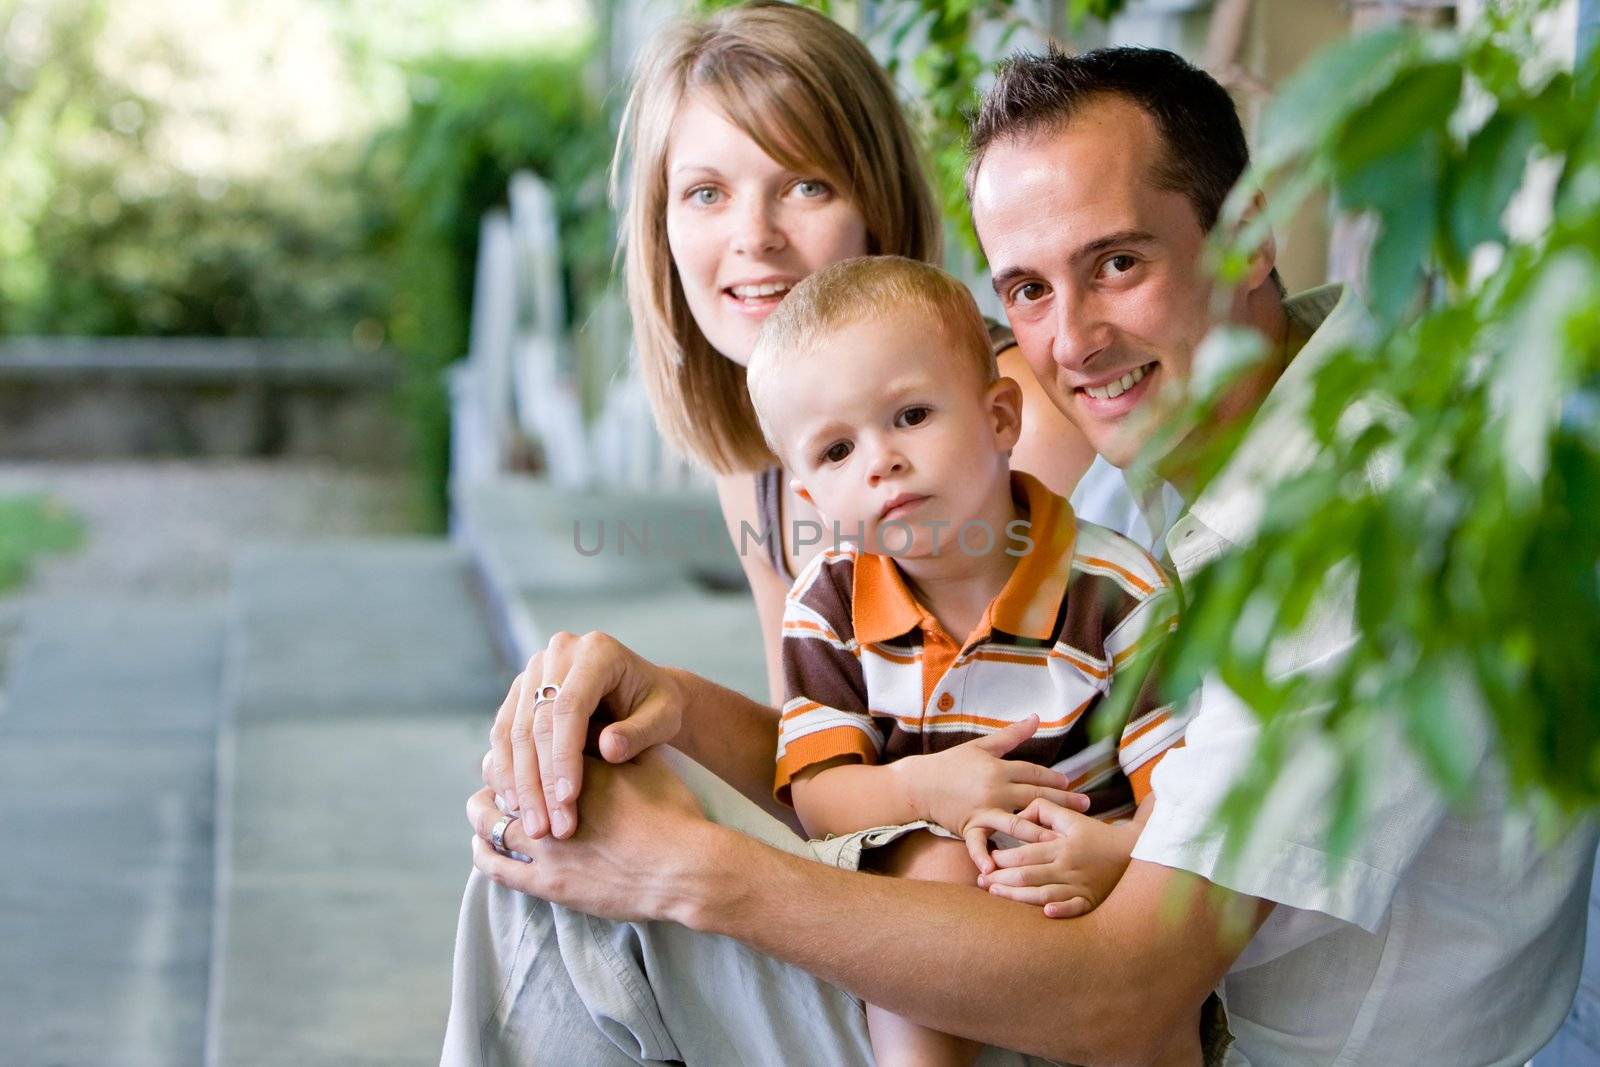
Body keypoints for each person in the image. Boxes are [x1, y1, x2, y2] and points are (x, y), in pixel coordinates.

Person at [451, 45, 1597, 1067]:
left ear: (1250, 236)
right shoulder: (1178, 458)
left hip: (1202, 1031)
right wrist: (677, 703)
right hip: (1112, 981)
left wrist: (689, 872)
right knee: (588, 805)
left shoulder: (1348, 524)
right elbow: (906, 748)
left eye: (1116, 264)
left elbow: (1126, 997)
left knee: (578, 895)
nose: (1069, 340)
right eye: (1027, 289)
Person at [593, 0, 1124, 731]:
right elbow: (814, 751)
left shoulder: (1012, 421)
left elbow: (1080, 784)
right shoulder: (756, 455)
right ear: (663, 228)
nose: (755, 237)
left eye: (805, 185)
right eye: (706, 193)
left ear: (877, 206)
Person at [745, 255, 1191, 1065]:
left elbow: (1183, 789)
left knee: (1164, 993)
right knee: (933, 868)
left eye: (911, 415)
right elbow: (818, 794)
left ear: (999, 418)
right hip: (926, 950)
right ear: (810, 497)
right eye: (837, 451)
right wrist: (925, 789)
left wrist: (1118, 856)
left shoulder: (1116, 593)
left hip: (1080, 921)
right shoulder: (830, 606)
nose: (880, 459)